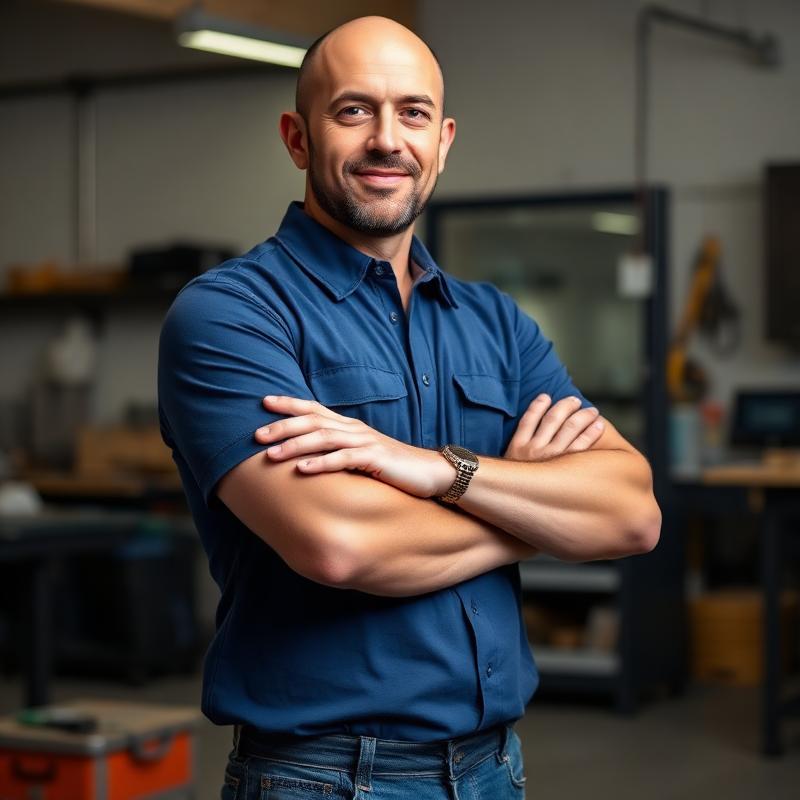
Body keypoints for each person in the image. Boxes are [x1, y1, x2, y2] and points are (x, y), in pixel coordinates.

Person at [157, 15, 661, 800]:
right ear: (297, 138)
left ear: (444, 140)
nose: (388, 139)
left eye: (413, 113)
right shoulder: (231, 315)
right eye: (354, 110)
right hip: (321, 777)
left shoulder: (496, 323)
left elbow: (632, 514)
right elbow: (340, 545)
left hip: (494, 769)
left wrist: (436, 472)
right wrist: (533, 513)